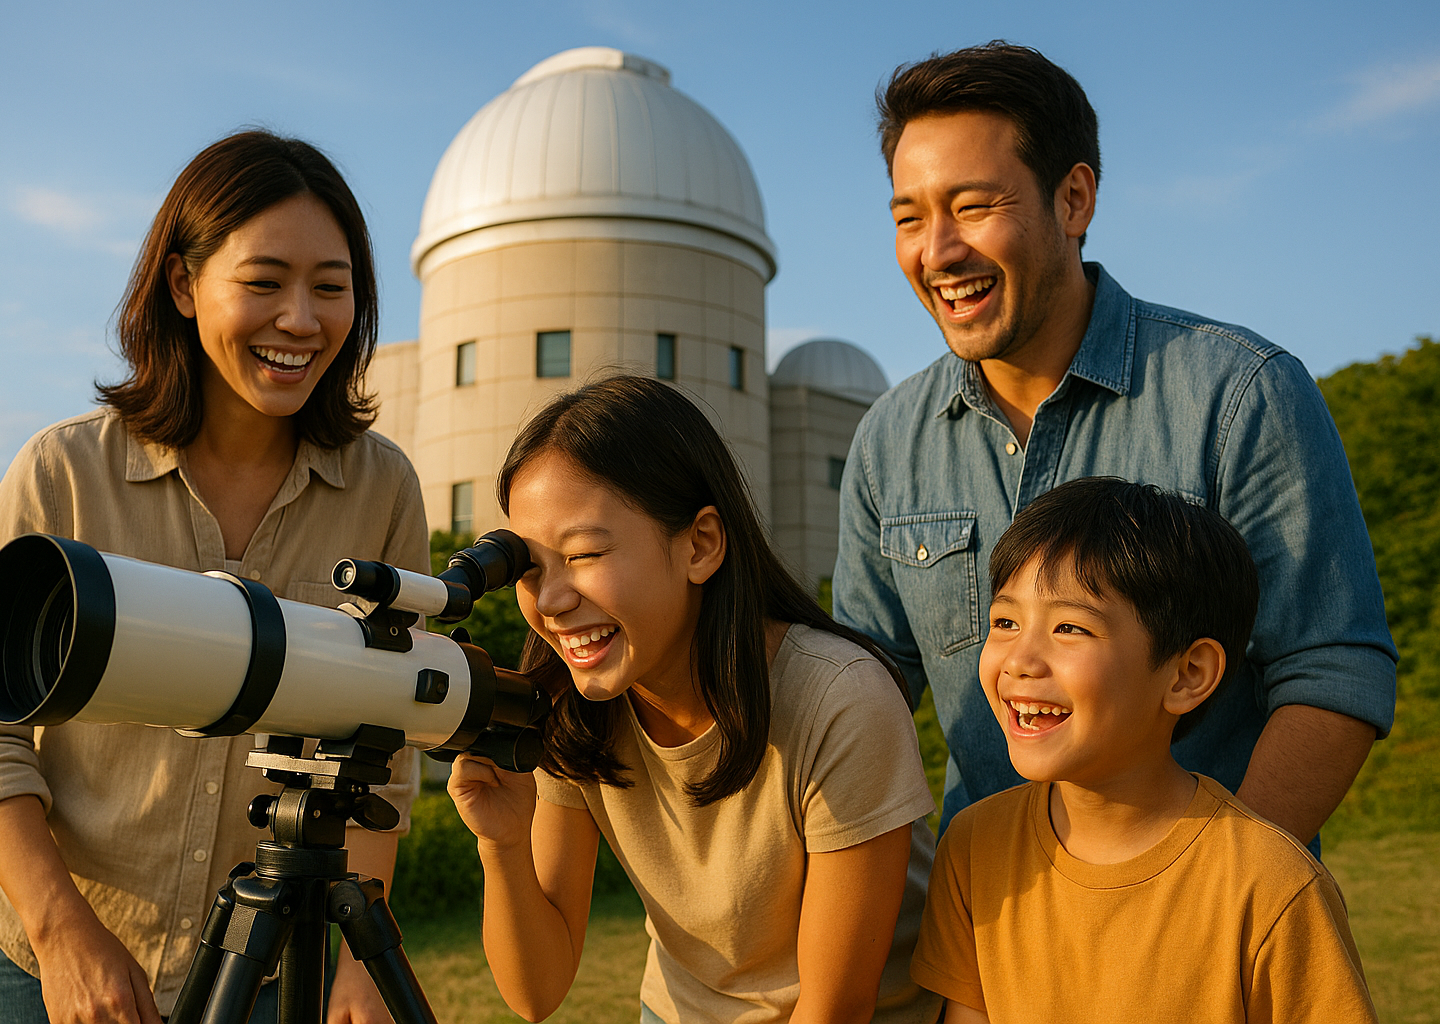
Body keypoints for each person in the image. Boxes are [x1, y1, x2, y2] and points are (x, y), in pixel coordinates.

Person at [835, 42, 1397, 843]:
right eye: (909, 218)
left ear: (1074, 200)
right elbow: (861, 695)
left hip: (1206, 897)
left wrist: (1212, 889)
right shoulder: (887, 441)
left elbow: (1333, 669)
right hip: (987, 909)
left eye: (974, 206)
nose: (938, 251)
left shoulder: (1241, 392)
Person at [0, 131, 426, 1024]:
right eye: (264, 282)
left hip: (273, 971)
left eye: (331, 287)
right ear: (183, 285)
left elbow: (380, 750)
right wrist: (63, 935)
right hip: (51, 954)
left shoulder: (383, 488)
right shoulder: (61, 474)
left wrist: (361, 958)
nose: (301, 320)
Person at [447, 375, 940, 1024]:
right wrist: (503, 844)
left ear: (700, 544)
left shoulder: (840, 699)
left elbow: (835, 1007)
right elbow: (536, 993)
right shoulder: (568, 708)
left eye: (586, 553)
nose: (553, 600)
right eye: (530, 568)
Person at [910, 477, 1377, 1022]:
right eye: (1005, 621)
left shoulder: (1273, 884)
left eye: (1069, 627)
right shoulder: (972, 848)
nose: (1019, 660)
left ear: (1188, 674)